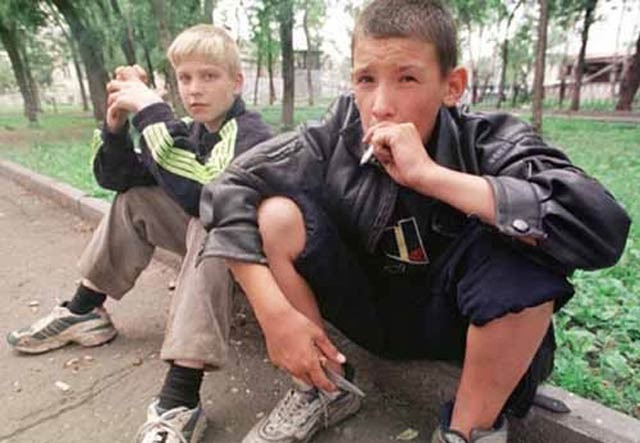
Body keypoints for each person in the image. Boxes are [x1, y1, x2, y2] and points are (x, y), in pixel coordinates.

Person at [196, 1, 631, 442]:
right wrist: (273, 314)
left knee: (524, 250)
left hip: (456, 324)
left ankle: (467, 432)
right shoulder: (335, 135)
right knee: (276, 216)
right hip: (371, 311)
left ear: (451, 86)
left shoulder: (488, 140)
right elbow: (228, 188)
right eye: (366, 80)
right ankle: (324, 390)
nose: (381, 106)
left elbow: (598, 222)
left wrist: (431, 176)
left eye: (407, 78)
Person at [7, 24, 272, 442]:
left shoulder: (251, 133)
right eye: (185, 78)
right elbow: (120, 179)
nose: (194, 89)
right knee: (136, 199)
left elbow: (207, 193)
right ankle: (85, 310)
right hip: (224, 253)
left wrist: (152, 111)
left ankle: (180, 397)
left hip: (267, 265)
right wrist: (116, 128)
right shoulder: (192, 130)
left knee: (213, 221)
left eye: (209, 76)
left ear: (236, 83)